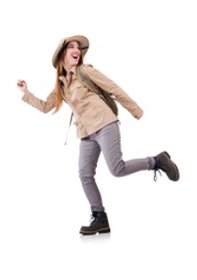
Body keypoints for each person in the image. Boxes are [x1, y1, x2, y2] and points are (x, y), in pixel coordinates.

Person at [16, 35, 180, 235]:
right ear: (62, 55)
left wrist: (133, 108)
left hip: (104, 123)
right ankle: (99, 217)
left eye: (79, 48)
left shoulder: (86, 71)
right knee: (85, 175)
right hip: (85, 133)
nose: (77, 50)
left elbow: (113, 88)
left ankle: (156, 161)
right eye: (71, 47)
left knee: (117, 169)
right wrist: (26, 92)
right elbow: (45, 107)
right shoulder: (60, 85)